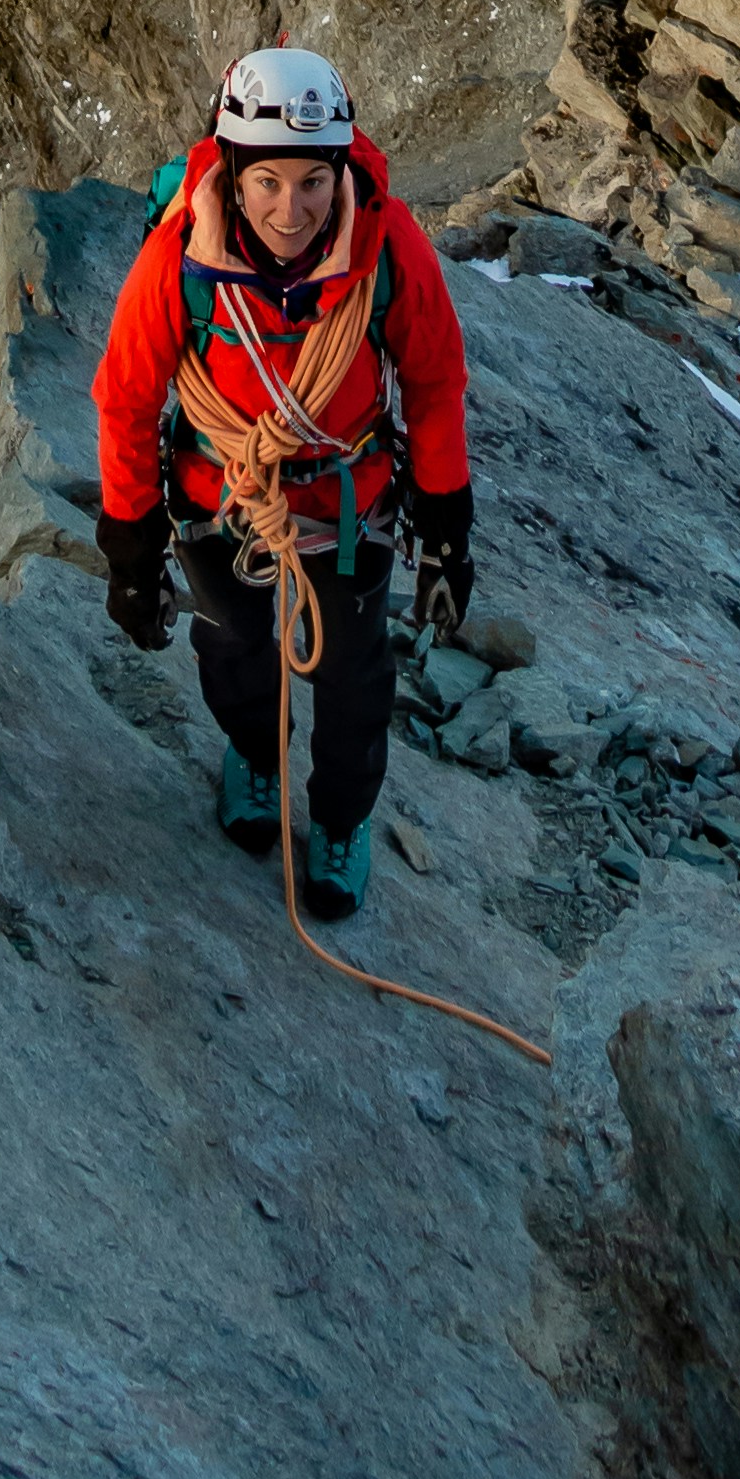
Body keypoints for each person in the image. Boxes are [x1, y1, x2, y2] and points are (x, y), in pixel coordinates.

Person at [92, 46, 474, 927]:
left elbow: (434, 377)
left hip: (345, 503)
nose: (290, 209)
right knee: (231, 649)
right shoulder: (181, 257)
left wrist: (447, 524)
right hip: (221, 493)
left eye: (311, 182)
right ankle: (253, 758)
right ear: (233, 170)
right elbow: (125, 395)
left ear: (340, 172)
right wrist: (132, 545)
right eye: (267, 182)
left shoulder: (386, 248)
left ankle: (340, 819)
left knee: (351, 675)